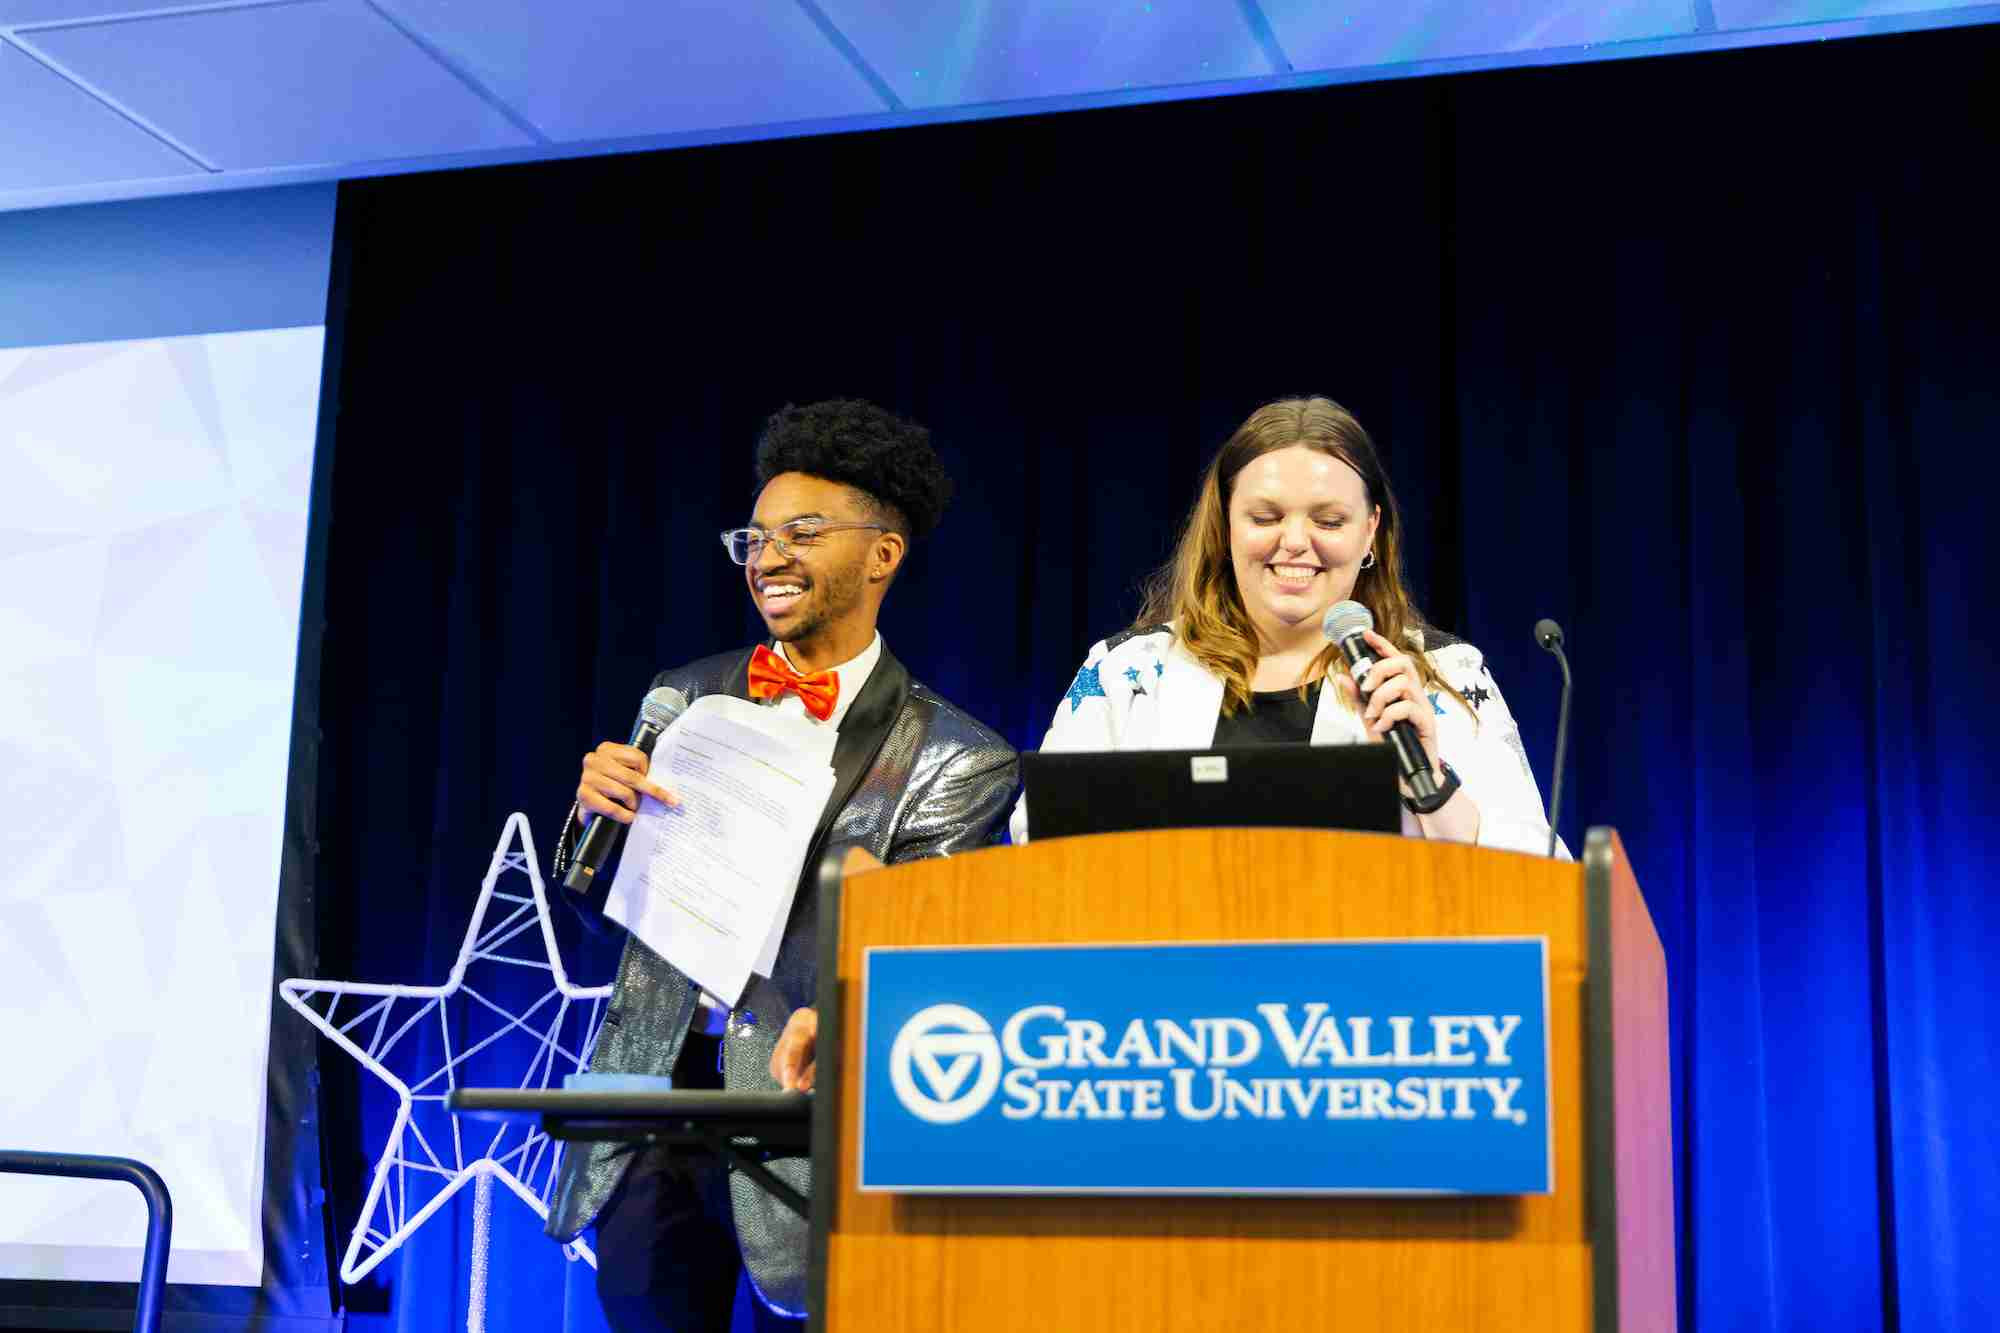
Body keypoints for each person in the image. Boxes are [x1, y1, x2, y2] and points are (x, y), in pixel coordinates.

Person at [548, 400, 1018, 1331]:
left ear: (883, 554)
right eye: (754, 537)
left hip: (810, 1123)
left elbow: (916, 960)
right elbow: (599, 910)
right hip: (651, 1105)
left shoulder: (959, 756)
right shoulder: (683, 693)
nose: (768, 558)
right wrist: (591, 822)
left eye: (803, 532)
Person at [1010, 396, 1556, 854]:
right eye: (1266, 517)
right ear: (1225, 525)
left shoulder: (1443, 676)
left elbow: (1536, 871)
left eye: (1328, 520)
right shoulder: (1127, 671)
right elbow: (1037, 839)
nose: (1295, 541)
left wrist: (1430, 782)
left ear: (1370, 532)